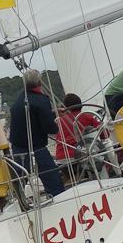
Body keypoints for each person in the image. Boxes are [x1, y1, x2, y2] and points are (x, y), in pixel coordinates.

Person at [9, 69, 65, 197]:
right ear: (39, 82)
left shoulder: (21, 98)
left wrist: (53, 113)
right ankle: (58, 197)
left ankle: (18, 200)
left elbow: (31, 115)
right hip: (36, 147)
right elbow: (50, 128)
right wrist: (55, 125)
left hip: (18, 147)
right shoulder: (41, 100)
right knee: (52, 178)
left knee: (20, 179)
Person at [55, 93, 105, 161]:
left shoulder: (59, 121)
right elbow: (105, 134)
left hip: (61, 157)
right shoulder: (87, 116)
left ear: (65, 107)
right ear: (80, 104)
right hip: (81, 155)